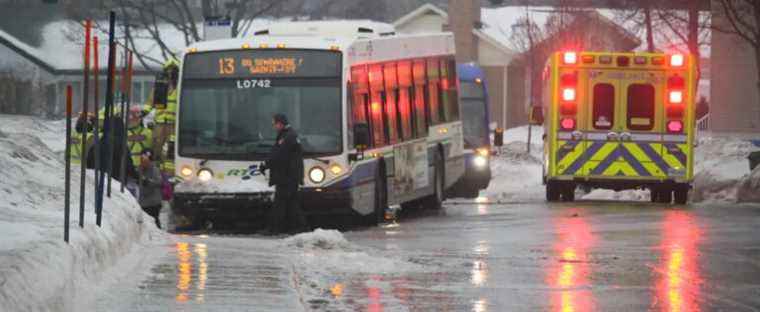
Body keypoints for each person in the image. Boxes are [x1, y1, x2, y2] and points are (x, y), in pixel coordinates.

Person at [260, 114, 307, 234]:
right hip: (289, 175)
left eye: (275, 123)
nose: (274, 126)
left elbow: (279, 155)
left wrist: (265, 164)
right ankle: (297, 227)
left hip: (286, 175)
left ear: (280, 123)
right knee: (291, 202)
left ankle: (276, 228)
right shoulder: (288, 135)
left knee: (281, 203)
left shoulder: (287, 137)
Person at [137, 149, 162, 229]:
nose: (142, 162)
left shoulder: (154, 169)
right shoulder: (139, 169)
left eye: (144, 160)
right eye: (141, 159)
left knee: (154, 221)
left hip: (153, 203)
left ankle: (158, 234)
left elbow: (158, 182)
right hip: (144, 202)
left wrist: (147, 181)